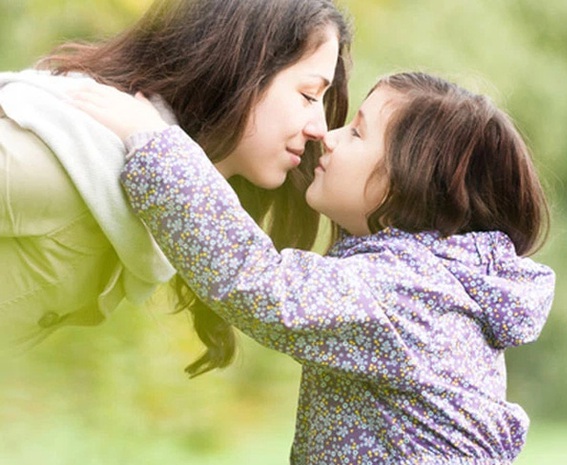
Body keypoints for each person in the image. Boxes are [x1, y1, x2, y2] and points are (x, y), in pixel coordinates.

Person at [72, 71, 556, 463]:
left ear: (407, 183)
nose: (328, 135)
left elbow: (258, 283)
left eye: (359, 131)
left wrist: (152, 142)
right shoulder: (429, 280)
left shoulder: (410, 294)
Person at [0, 0, 351, 364]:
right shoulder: (71, 160)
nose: (320, 129)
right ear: (236, 70)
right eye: (309, 95)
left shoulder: (145, 204)